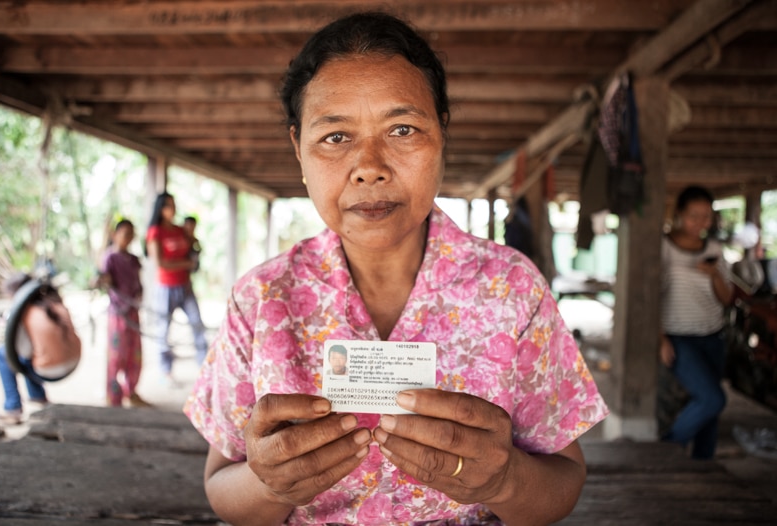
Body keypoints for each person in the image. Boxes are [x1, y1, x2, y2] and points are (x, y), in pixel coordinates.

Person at [184, 11, 608, 526]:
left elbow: (564, 481)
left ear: (441, 133)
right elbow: (220, 484)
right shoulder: (262, 298)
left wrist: (505, 480)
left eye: (402, 129)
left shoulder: (513, 289)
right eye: (336, 137)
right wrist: (267, 484)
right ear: (298, 148)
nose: (370, 166)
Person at [660, 185, 734, 459]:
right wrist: (660, 338)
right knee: (712, 399)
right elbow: (650, 296)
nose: (700, 222)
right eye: (694, 215)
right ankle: (667, 447)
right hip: (679, 337)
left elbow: (726, 297)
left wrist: (714, 274)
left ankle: (704, 464)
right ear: (679, 214)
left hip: (712, 336)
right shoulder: (663, 247)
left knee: (710, 411)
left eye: (706, 216)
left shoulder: (714, 248)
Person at [0, 273, 81, 425]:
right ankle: (38, 397)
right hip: (74, 360)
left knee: (3, 354)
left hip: (52, 370)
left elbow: (24, 352)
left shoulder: (23, 313)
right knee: (33, 353)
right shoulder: (53, 301)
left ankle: (13, 409)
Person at [145, 192, 208, 381]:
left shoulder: (179, 230)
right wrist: (187, 264)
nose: (172, 209)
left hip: (185, 285)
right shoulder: (155, 232)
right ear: (161, 209)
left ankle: (204, 365)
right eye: (168, 206)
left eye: (173, 205)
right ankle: (166, 370)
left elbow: (195, 244)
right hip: (166, 287)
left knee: (197, 324)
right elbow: (161, 263)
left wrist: (193, 240)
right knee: (163, 329)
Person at [99, 219, 150, 408]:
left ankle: (132, 392)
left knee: (134, 356)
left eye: (131, 233)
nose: (128, 237)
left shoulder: (134, 259)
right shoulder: (109, 258)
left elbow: (138, 283)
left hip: (133, 314)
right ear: (115, 234)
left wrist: (139, 296)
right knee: (116, 357)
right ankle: (114, 398)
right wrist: (101, 277)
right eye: (125, 233)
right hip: (117, 315)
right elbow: (104, 279)